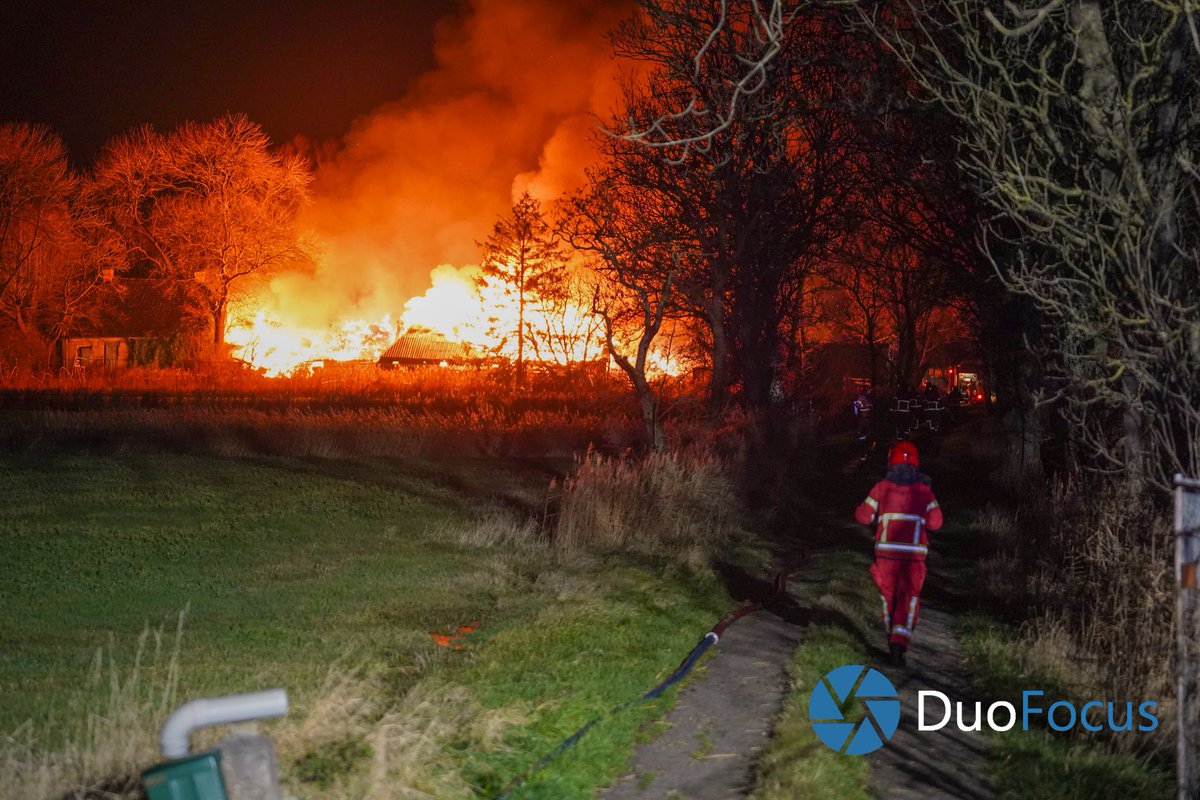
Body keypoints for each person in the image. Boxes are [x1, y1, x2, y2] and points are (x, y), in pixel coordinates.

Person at [854, 440, 943, 666]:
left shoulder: (881, 488)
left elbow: (862, 516)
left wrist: (877, 517)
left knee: (889, 598)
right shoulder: (924, 491)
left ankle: (891, 636)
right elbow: (936, 523)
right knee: (909, 597)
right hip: (913, 556)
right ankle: (899, 642)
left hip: (885, 555)